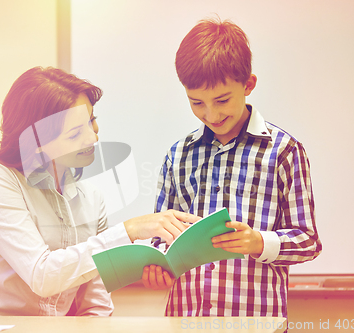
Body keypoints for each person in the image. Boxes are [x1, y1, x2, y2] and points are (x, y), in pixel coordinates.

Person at [0, 66, 199, 316]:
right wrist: (129, 230)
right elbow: (42, 276)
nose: (93, 138)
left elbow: (97, 306)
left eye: (91, 121)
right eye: (76, 133)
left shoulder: (92, 198)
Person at [142, 18, 322, 319]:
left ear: (248, 84)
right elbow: (162, 236)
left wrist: (258, 242)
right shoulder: (177, 155)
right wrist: (158, 263)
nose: (210, 114)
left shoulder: (284, 152)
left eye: (222, 100)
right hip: (184, 320)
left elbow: (308, 240)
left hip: (256, 321)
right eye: (196, 103)